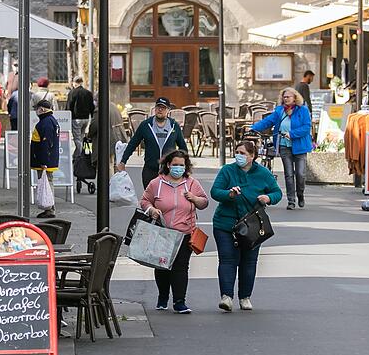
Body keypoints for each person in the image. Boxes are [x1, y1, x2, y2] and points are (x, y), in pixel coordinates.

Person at [211, 141, 281, 312]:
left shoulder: (263, 173)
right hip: (225, 223)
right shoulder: (227, 170)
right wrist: (229, 194)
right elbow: (215, 192)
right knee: (227, 259)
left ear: (252, 156)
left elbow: (277, 192)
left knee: (249, 262)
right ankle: (226, 297)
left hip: (252, 226)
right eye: (237, 152)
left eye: (242, 153)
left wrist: (268, 198)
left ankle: (245, 297)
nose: (239, 156)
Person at [140, 150, 208, 313]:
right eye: (175, 165)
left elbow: (204, 202)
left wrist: (194, 198)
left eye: (181, 165)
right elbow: (144, 200)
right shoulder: (156, 183)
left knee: (181, 267)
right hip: (162, 233)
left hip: (185, 233)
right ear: (168, 165)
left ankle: (179, 301)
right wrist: (151, 210)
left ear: (186, 167)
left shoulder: (192, 183)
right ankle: (163, 297)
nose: (178, 168)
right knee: (162, 267)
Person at [251, 87, 312, 210]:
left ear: (295, 98)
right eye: (284, 97)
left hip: (300, 146)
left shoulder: (303, 110)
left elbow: (306, 127)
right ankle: (291, 201)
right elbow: (268, 121)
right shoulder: (280, 111)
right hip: (284, 145)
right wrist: (254, 128)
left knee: (300, 174)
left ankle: (300, 194)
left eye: (288, 96)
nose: (286, 99)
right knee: (289, 174)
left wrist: (292, 133)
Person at [117, 97, 187, 189]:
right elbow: (132, 144)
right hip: (150, 170)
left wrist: (185, 166)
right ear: (155, 109)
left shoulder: (174, 126)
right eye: (158, 107)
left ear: (168, 110)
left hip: (168, 171)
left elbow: (183, 148)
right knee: (149, 201)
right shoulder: (146, 125)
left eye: (163, 108)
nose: (160, 110)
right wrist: (123, 162)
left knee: (166, 201)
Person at [30, 99, 60, 219]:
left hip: (45, 160)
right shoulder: (51, 121)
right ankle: (49, 207)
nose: (36, 111)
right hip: (49, 159)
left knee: (46, 183)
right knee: (47, 182)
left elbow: (46, 143)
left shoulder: (45, 123)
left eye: (37, 108)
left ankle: (49, 209)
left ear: (42, 109)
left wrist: (43, 162)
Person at [88, 100, 128, 172]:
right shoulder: (114, 106)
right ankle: (116, 181)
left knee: (107, 166)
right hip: (117, 138)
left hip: (107, 141)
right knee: (115, 163)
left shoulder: (100, 109)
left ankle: (109, 182)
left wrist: (89, 135)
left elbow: (94, 126)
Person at [66, 75, 95, 157]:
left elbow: (69, 106)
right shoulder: (88, 93)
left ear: (74, 83)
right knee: (81, 137)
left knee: (77, 138)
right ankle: (76, 155)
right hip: (86, 119)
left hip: (76, 119)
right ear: (81, 82)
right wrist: (92, 117)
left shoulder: (72, 93)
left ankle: (81, 155)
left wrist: (67, 118)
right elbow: (91, 106)